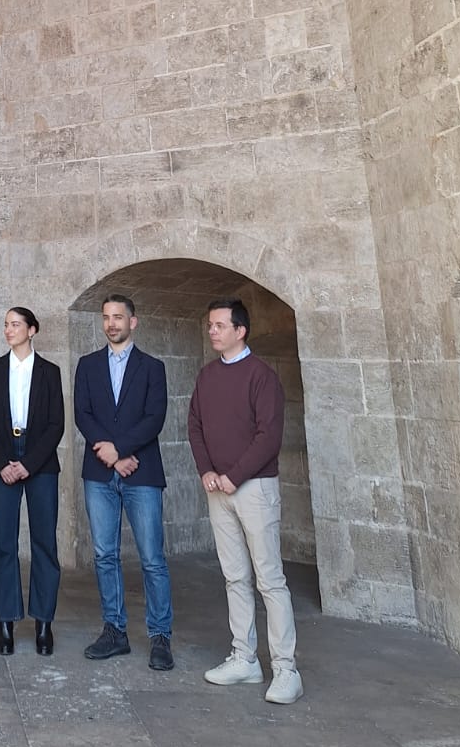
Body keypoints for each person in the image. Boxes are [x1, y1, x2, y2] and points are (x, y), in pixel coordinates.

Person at [188, 297, 303, 705]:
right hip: (218, 489)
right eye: (210, 325)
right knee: (235, 577)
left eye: (220, 325)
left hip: (254, 489)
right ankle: (245, 658)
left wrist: (233, 476)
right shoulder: (207, 376)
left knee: (270, 579)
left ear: (241, 330)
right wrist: (207, 471)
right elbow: (195, 426)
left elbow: (268, 437)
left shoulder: (262, 377)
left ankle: (286, 669)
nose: (213, 331)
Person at [74, 292, 174, 670]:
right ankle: (115, 631)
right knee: (104, 555)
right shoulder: (87, 365)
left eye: (118, 317)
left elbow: (154, 417)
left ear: (133, 322)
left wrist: (121, 450)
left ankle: (160, 636)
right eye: (106, 317)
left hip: (142, 471)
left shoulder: (152, 367)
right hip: (100, 473)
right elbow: (82, 413)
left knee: (152, 559)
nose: (111, 323)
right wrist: (112, 455)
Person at [0, 306, 65, 655]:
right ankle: (6, 622)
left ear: (32, 330)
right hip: (3, 458)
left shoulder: (49, 372)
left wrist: (28, 463)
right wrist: (3, 463)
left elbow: (56, 424)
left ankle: (44, 623)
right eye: (6, 324)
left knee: (44, 542)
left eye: (15, 324)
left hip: (40, 460)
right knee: (4, 543)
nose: (9, 330)